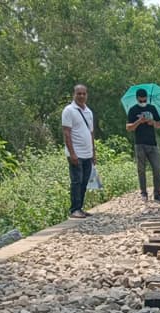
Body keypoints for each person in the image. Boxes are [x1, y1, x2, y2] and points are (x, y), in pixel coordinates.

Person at [126, 88, 160, 201]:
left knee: (157, 168)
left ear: (147, 99)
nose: (143, 102)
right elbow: (128, 128)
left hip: (152, 143)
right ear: (137, 99)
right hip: (140, 143)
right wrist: (139, 122)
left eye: (145, 100)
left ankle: (157, 193)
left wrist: (152, 122)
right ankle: (143, 193)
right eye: (141, 101)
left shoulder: (152, 108)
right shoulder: (133, 110)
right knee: (141, 169)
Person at [62, 84, 96, 219]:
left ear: (86, 95)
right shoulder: (69, 110)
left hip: (88, 153)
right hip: (76, 153)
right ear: (74, 95)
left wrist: (94, 152)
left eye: (83, 93)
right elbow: (66, 133)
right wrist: (72, 153)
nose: (81, 96)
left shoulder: (89, 112)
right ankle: (74, 209)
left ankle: (80, 208)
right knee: (76, 181)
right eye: (78, 94)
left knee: (84, 181)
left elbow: (91, 133)